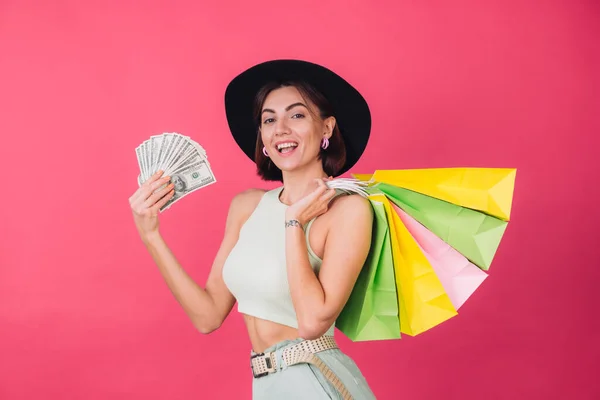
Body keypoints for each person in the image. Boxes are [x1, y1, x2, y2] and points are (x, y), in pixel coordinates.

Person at [128, 59, 377, 399]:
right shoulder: (247, 206)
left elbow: (312, 322)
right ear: (261, 136)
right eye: (269, 119)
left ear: (327, 128)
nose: (281, 129)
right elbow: (208, 316)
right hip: (266, 386)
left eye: (297, 115)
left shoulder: (348, 210)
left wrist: (294, 223)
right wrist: (151, 235)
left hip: (316, 382)